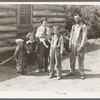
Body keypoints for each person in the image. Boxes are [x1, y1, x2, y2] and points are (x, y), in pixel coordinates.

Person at [68, 14, 87, 79]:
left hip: (79, 44)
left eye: (77, 18)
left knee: (80, 59)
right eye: (75, 18)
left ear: (80, 18)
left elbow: (84, 37)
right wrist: (70, 44)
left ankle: (82, 73)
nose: (76, 20)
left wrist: (81, 46)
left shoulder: (83, 26)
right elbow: (71, 36)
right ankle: (72, 71)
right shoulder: (73, 26)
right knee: (72, 58)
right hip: (73, 44)